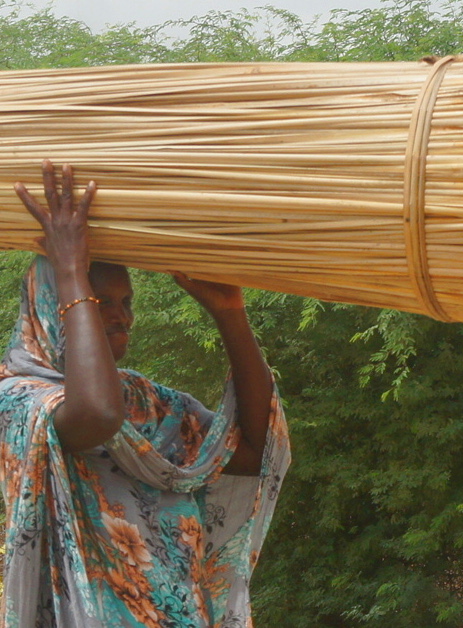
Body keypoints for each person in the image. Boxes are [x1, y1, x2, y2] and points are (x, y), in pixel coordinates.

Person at [0, 160, 290, 627]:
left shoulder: (143, 400)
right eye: (101, 301)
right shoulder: (17, 398)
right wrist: (72, 269)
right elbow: (95, 415)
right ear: (52, 308)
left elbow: (255, 450)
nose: (122, 316)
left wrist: (229, 313)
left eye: (126, 302)